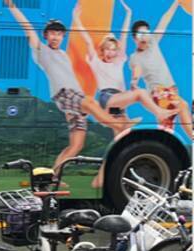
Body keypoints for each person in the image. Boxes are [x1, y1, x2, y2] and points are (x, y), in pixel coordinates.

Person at [4, 0, 132, 174]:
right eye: (52, 33)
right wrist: (13, 7)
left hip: (73, 100)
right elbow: (27, 28)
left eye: (59, 34)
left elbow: (71, 78)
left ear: (63, 36)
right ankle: (120, 128)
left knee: (76, 144)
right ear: (46, 36)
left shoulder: (63, 54)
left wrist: (74, 109)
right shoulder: (41, 50)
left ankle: (53, 177)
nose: (56, 37)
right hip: (65, 95)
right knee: (91, 102)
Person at [72, 1, 177, 188]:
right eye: (107, 49)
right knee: (139, 93)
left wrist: (128, 13)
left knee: (119, 143)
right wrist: (76, 19)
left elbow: (123, 35)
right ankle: (159, 113)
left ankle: (99, 181)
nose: (111, 52)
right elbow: (88, 40)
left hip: (119, 103)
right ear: (102, 51)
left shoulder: (120, 60)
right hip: (108, 98)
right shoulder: (97, 62)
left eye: (114, 49)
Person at [129, 0, 193, 139]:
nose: (144, 36)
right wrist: (134, 81)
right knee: (183, 105)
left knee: (167, 126)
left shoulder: (153, 43)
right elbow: (137, 70)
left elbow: (165, 20)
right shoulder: (135, 57)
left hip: (171, 89)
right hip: (158, 92)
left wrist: (176, 3)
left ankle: (159, 146)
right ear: (134, 38)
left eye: (146, 32)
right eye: (140, 34)